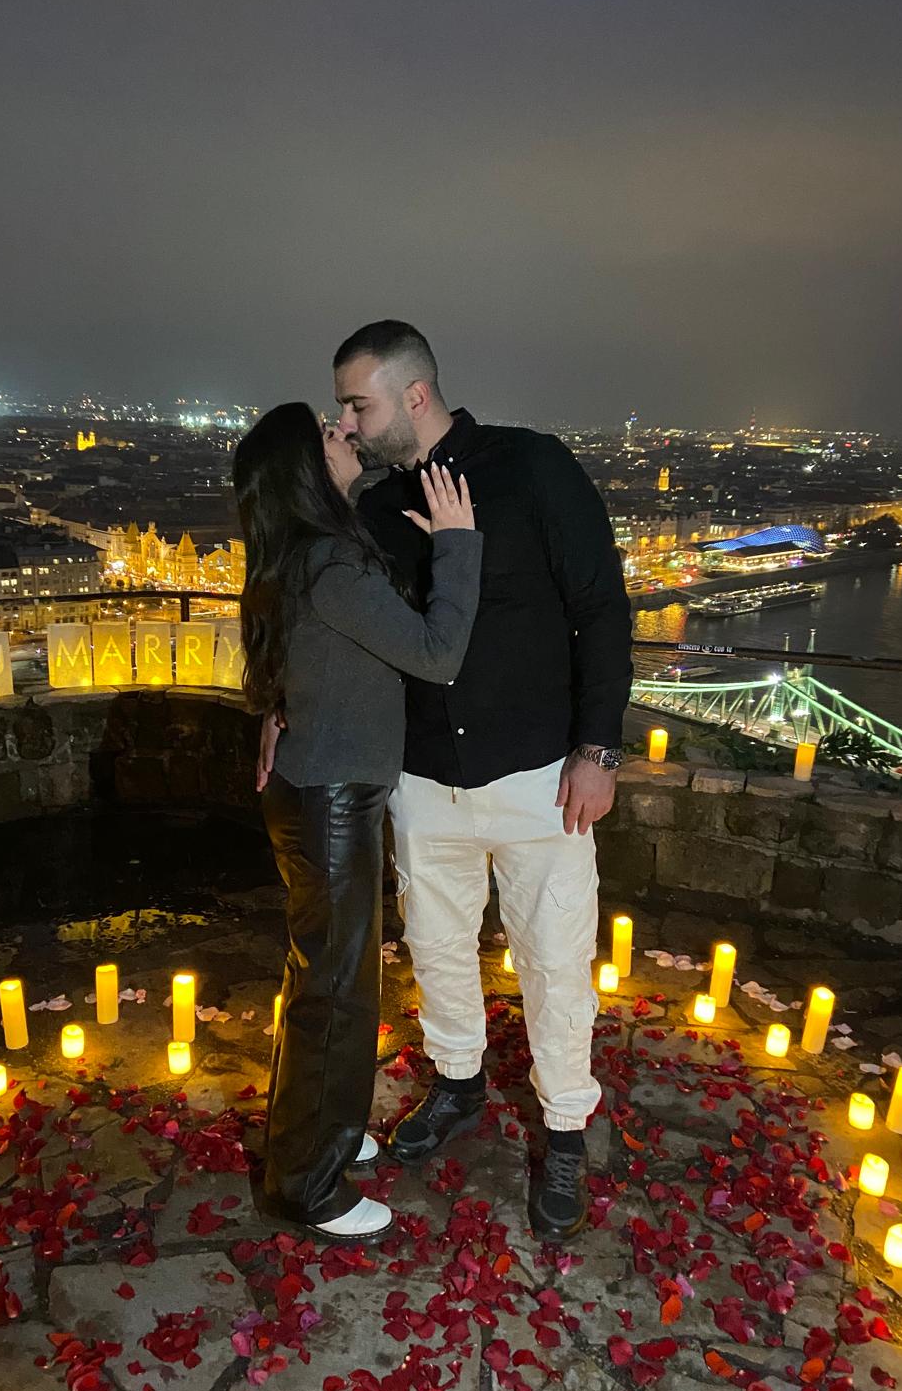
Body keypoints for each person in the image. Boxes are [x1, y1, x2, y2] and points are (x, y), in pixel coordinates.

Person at [262, 322, 632, 1240]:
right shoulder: (372, 509)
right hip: (422, 782)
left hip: (541, 774)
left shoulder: (533, 468)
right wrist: (276, 706)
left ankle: (564, 1131)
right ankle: (459, 1084)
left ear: (413, 395)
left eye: (358, 403)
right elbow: (317, 616)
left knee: (554, 960)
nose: (347, 422)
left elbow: (602, 607)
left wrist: (599, 749)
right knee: (435, 947)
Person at [234, 401, 482, 1243]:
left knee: (322, 984)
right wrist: (457, 540)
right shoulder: (331, 564)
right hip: (333, 797)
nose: (347, 434)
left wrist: (276, 710)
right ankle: (307, 1181)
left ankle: (312, 1138)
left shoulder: (296, 557)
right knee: (337, 994)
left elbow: (282, 660)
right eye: (331, 436)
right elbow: (437, 654)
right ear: (308, 469)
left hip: (315, 790)